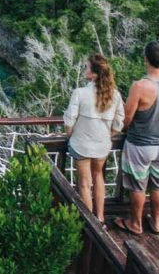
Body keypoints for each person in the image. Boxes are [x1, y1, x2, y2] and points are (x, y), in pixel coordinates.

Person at [114, 41, 159, 236]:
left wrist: (123, 130)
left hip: (140, 144)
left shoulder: (139, 86)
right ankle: (156, 222)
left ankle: (136, 223)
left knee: (138, 185)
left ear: (145, 59)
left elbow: (127, 118)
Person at [63, 53, 125, 221]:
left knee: (84, 183)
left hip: (81, 143)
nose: (85, 69)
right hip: (102, 145)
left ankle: (90, 223)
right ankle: (100, 217)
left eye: (87, 67)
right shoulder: (115, 95)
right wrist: (107, 135)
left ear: (94, 73)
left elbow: (69, 120)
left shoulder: (80, 93)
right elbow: (119, 124)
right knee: (98, 177)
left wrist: (71, 135)